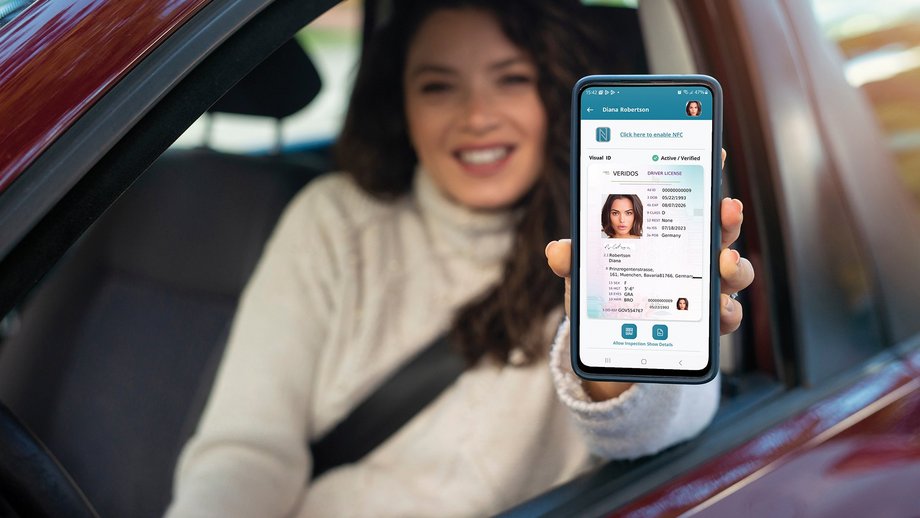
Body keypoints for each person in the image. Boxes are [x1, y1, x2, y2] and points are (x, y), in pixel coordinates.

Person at [167, 1, 754, 516]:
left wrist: (616, 366)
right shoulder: (336, 219)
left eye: (511, 79)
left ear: (552, 94)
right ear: (401, 105)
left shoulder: (594, 246)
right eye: (438, 87)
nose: (476, 117)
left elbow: (659, 429)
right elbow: (248, 448)